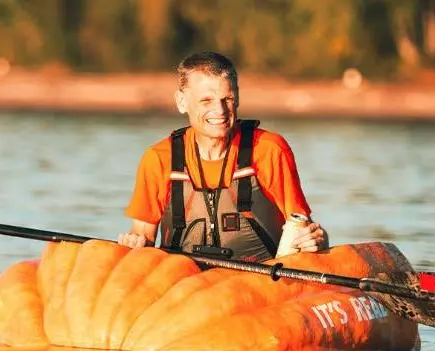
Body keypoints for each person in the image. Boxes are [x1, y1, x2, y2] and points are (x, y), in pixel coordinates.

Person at [118, 51, 327, 262]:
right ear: (182, 102)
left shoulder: (270, 149)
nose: (219, 110)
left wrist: (317, 240)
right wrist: (135, 244)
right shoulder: (158, 158)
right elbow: (143, 236)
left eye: (227, 99)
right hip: (183, 284)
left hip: (261, 285)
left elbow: (303, 229)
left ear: (237, 98)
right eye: (206, 101)